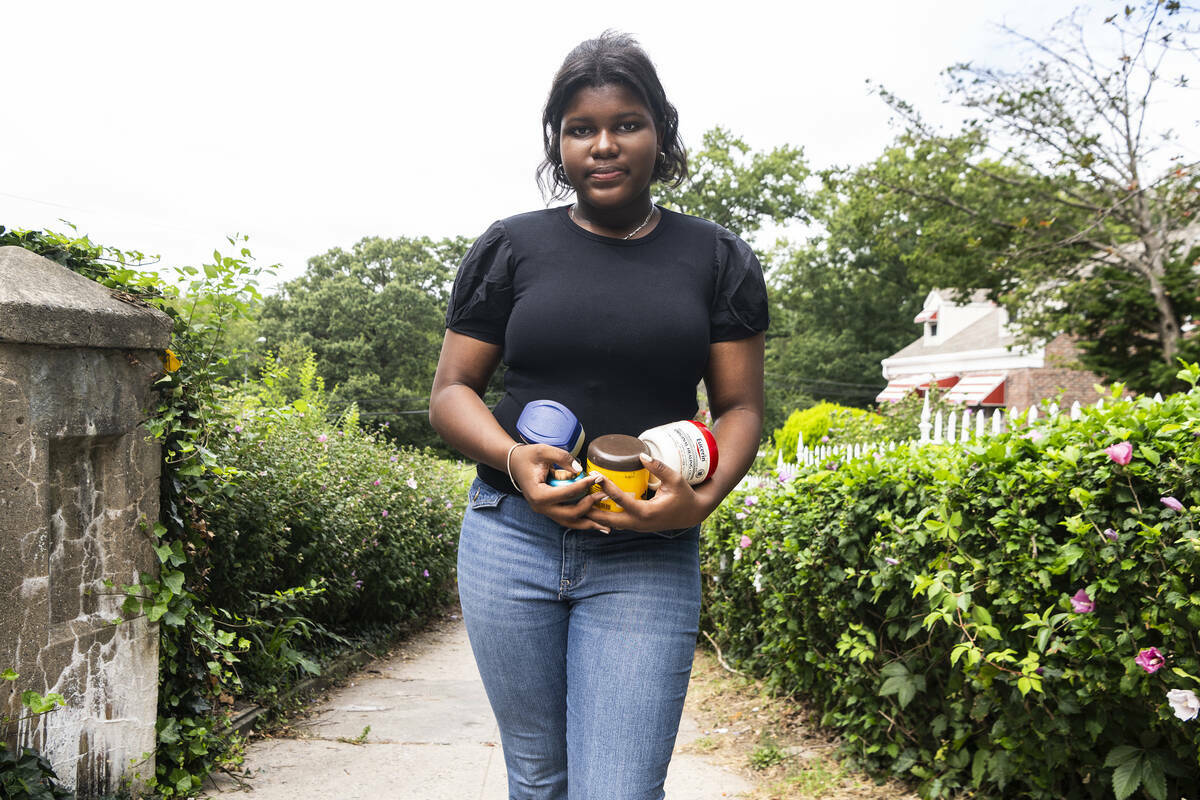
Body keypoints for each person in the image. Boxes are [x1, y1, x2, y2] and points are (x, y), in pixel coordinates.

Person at [428, 30, 767, 800]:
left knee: (618, 789)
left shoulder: (716, 257)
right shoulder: (510, 248)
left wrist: (698, 504)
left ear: (661, 132)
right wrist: (514, 458)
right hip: (510, 539)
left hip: (648, 553)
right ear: (558, 141)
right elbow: (452, 393)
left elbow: (742, 407)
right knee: (540, 779)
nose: (603, 145)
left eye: (627, 124)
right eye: (581, 129)